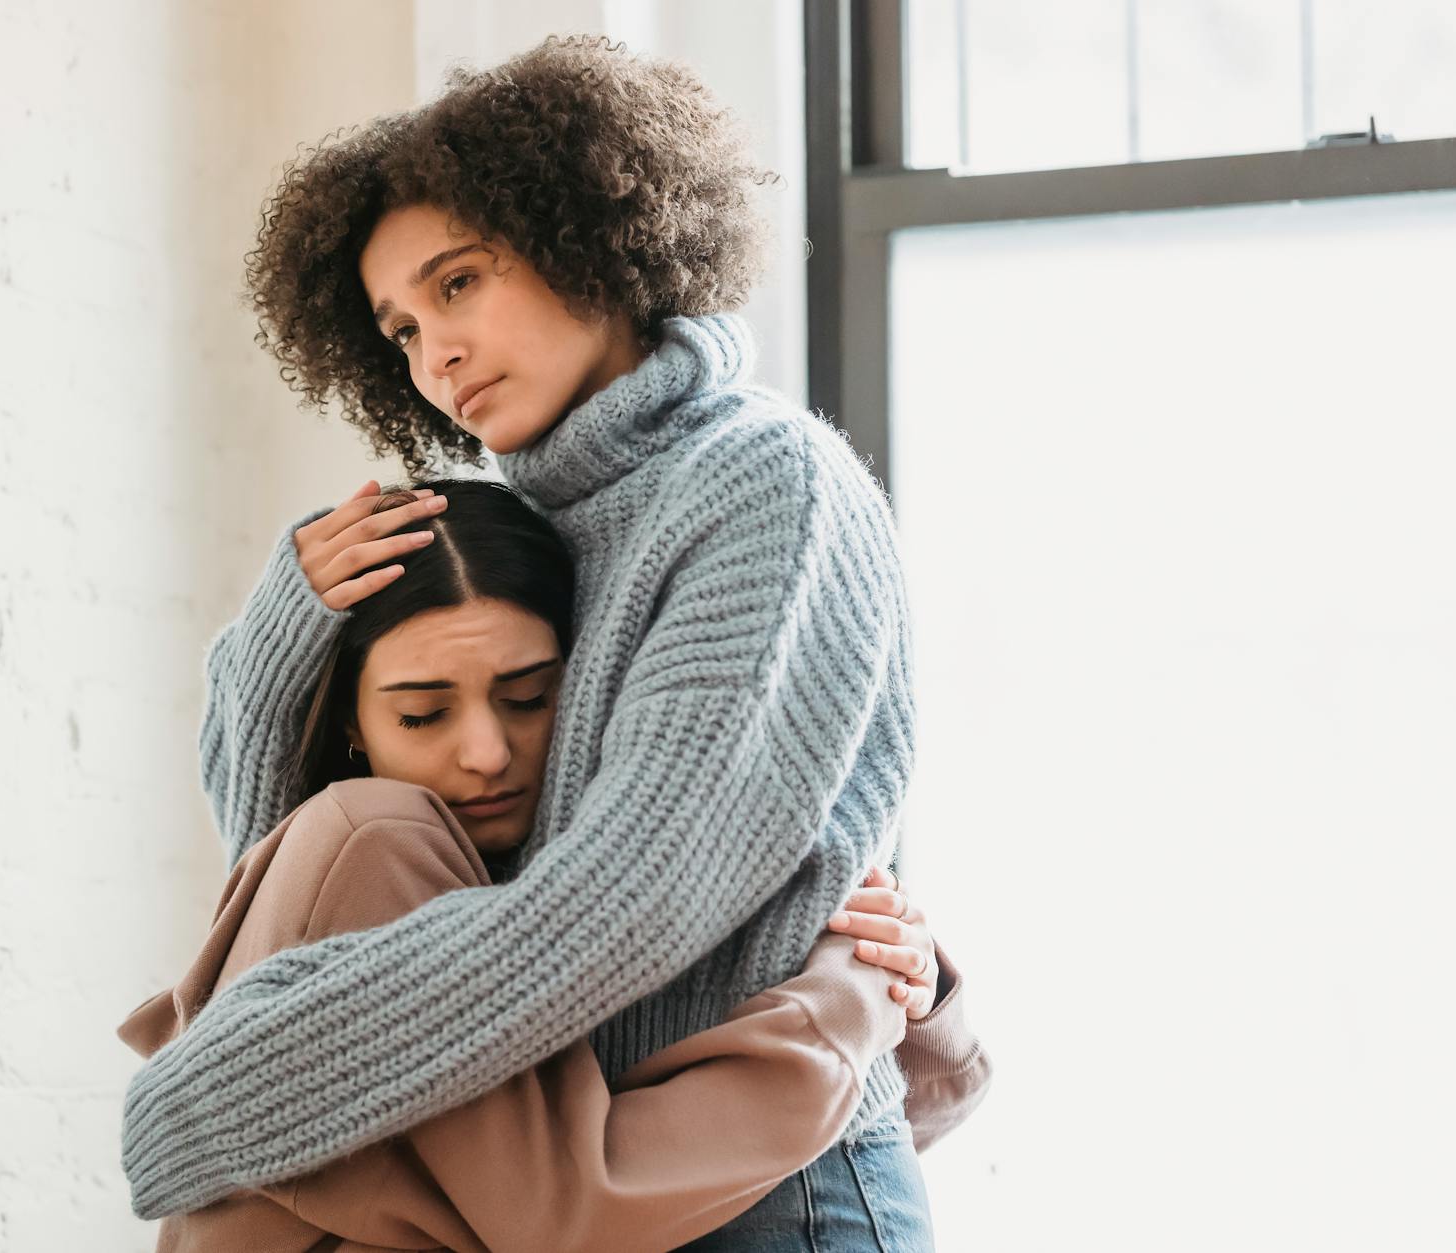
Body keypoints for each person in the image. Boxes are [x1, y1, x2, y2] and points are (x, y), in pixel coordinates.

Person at [123, 36, 974, 1249]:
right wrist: (279, 641)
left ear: (587, 236)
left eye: (457, 285)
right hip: (592, 1177)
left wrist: (235, 1084)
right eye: (400, 328)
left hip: (772, 1199)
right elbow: (308, 875)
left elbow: (632, 897)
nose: (434, 356)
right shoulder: (533, 526)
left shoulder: (759, 480)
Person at [118, 480, 988, 1252]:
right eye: (424, 714)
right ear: (352, 722)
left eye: (531, 696)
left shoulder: (506, 879)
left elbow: (916, 1121)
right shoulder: (377, 836)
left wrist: (897, 962)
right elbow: (576, 1208)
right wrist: (857, 996)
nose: (488, 752)